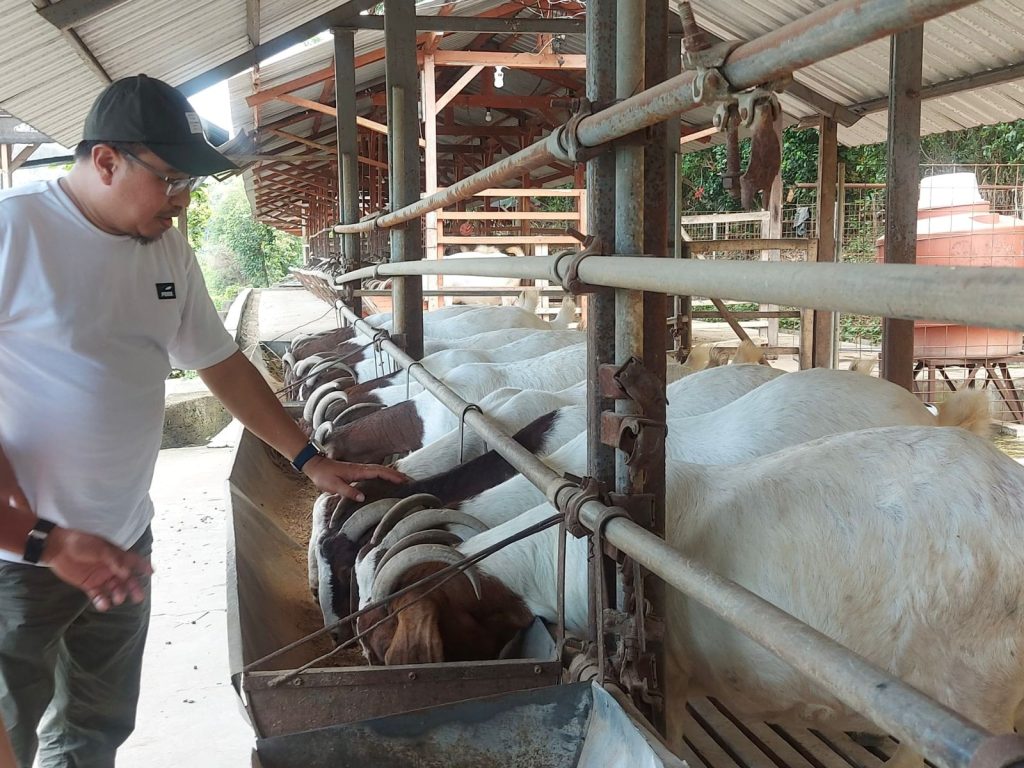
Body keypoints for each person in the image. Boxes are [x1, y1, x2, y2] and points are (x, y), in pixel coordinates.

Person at [0, 74, 406, 767]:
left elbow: (219, 364)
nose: (183, 199)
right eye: (170, 180)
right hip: (20, 559)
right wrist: (42, 541)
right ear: (105, 161)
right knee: (9, 729)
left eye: (193, 184)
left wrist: (309, 459)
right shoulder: (16, 234)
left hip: (123, 538)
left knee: (94, 730)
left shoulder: (166, 250)